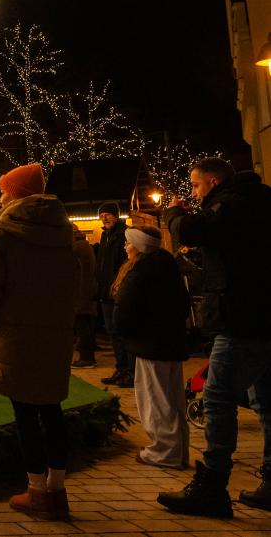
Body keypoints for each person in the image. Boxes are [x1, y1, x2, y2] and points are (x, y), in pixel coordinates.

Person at [157, 159, 271, 517]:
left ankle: (212, 485)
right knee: (267, 400)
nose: (193, 193)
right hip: (262, 314)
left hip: (244, 316)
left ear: (214, 181)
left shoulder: (235, 204)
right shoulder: (259, 200)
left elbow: (192, 229)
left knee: (218, 396)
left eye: (195, 185)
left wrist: (173, 213)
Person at [0, 163, 78, 520]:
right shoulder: (67, 233)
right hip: (55, 332)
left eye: (3, 191)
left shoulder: (1, 233)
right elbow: (82, 281)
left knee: (26, 411)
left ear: (15, 193)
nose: (0, 197)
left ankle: (36, 490)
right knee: (51, 408)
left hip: (14, 334)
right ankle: (58, 490)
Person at [112, 226, 189, 469]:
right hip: (170, 343)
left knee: (155, 400)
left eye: (128, 243)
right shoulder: (168, 268)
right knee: (173, 399)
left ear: (139, 246)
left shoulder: (141, 271)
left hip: (150, 345)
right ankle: (177, 449)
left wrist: (127, 334)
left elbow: (125, 311)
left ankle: (164, 451)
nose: (125, 247)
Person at [96, 202, 134, 388]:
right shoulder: (105, 236)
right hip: (106, 292)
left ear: (116, 216)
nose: (104, 218)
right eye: (101, 215)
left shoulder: (124, 234)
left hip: (119, 291)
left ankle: (130, 372)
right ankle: (121, 368)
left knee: (122, 332)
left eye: (108, 214)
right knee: (112, 333)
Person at [71, 224, 98, 368]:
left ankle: (87, 358)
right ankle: (87, 356)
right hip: (85, 291)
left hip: (82, 293)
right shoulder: (83, 245)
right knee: (85, 325)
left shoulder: (77, 247)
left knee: (83, 326)